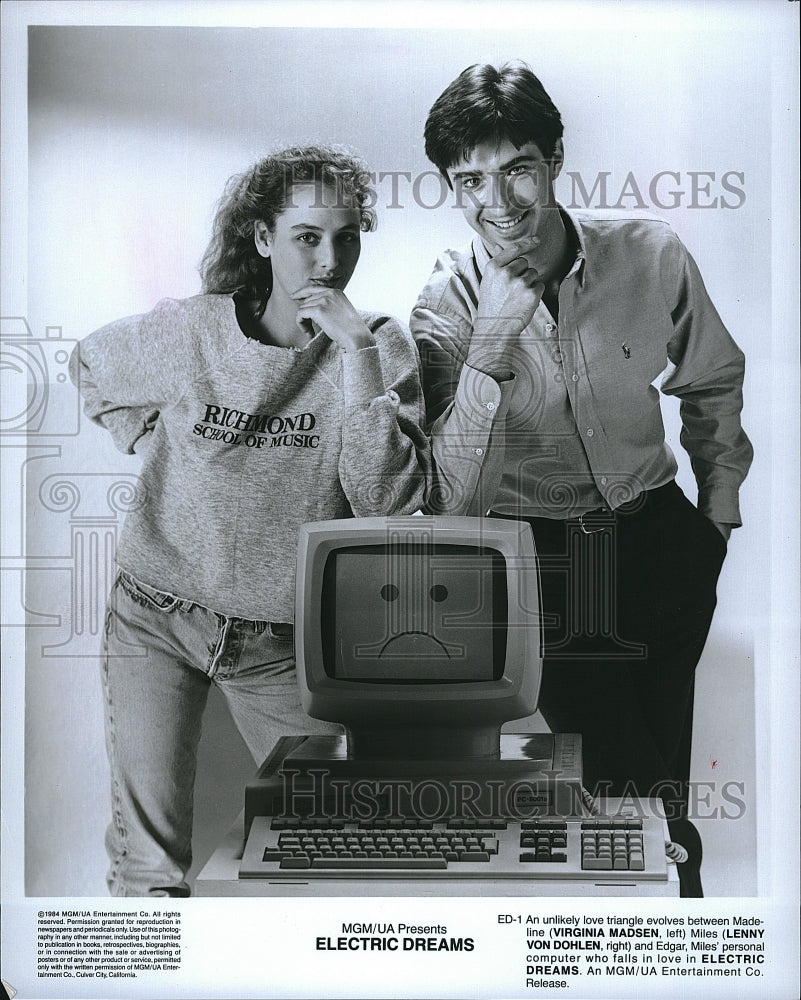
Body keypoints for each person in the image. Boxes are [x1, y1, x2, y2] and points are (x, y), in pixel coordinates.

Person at [410, 62, 752, 897]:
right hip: (546, 568)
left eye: (517, 167)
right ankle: (674, 899)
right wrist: (490, 344)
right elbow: (445, 493)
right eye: (469, 180)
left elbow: (710, 380)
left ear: (556, 156)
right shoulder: (444, 308)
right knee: (624, 784)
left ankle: (676, 919)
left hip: (661, 539)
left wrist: (714, 517)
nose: (498, 201)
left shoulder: (651, 254)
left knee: (658, 763)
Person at [70, 143, 431, 896]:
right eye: (306, 237)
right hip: (156, 620)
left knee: (326, 850)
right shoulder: (194, 331)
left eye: (346, 237)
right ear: (264, 239)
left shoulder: (380, 344)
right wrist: (143, 431)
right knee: (149, 864)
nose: (329, 260)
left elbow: (386, 500)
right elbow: (92, 362)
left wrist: (356, 352)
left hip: (281, 642)